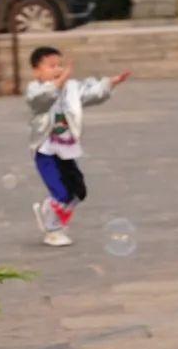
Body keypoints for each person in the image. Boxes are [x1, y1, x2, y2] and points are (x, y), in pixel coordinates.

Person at [26, 47, 129, 247]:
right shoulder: (35, 90)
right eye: (51, 66)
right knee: (61, 192)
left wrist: (110, 83)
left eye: (59, 65)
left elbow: (90, 94)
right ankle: (52, 230)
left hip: (65, 148)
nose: (57, 69)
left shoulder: (70, 88)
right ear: (37, 71)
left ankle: (50, 212)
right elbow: (41, 101)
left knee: (78, 191)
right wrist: (59, 81)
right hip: (45, 150)